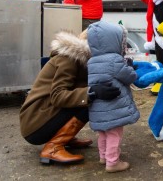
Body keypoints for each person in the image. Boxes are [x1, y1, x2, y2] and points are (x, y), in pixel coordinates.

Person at [19, 29, 121, 164]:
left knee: (89, 96)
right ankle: (53, 147)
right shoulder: (68, 59)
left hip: (42, 118)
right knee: (90, 100)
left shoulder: (83, 60)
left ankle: (66, 138)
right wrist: (92, 91)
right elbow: (58, 96)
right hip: (35, 123)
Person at [86, 21, 140, 173]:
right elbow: (129, 77)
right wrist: (129, 66)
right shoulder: (114, 60)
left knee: (103, 133)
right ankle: (112, 163)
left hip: (98, 108)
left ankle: (103, 157)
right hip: (114, 107)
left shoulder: (91, 62)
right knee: (114, 134)